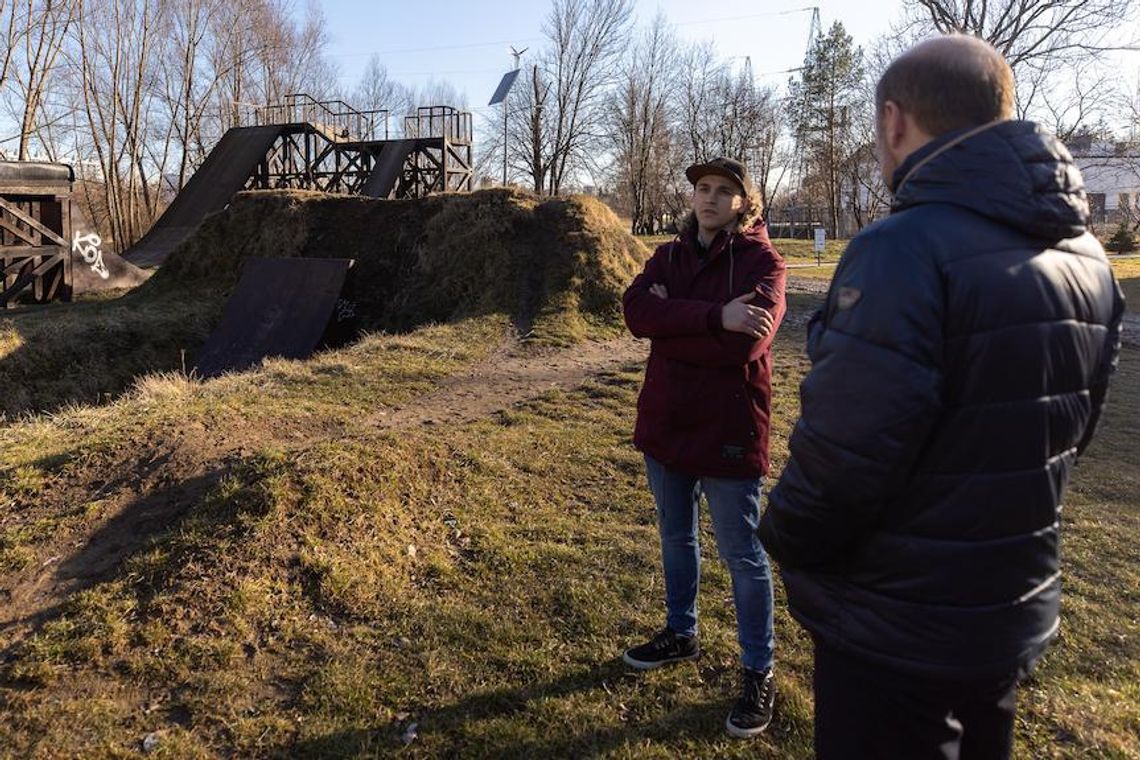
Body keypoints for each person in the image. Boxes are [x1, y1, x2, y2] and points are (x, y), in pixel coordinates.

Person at [757, 34, 1126, 760]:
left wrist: (787, 539)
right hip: (1006, 607)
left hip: (896, 620)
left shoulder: (904, 246)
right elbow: (1074, 430)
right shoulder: (1087, 257)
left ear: (895, 121)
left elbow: (845, 455)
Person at [621, 156, 787, 739]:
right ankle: (680, 632)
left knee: (742, 554)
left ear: (746, 203)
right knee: (675, 536)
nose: (709, 198)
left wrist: (674, 327)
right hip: (668, 424)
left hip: (728, 429)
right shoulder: (667, 255)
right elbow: (636, 312)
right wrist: (717, 316)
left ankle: (757, 669)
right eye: (702, 189)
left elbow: (747, 347)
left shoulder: (764, 262)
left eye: (724, 191)